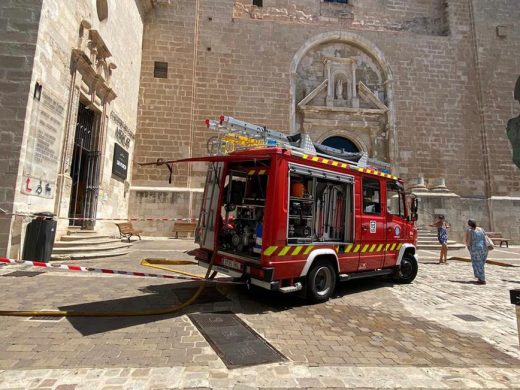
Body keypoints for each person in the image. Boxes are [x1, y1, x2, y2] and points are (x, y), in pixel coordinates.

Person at [464, 219, 488, 285]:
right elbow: (485, 237)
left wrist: (468, 247)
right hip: (484, 248)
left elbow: (468, 240)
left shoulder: (470, 231)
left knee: (477, 264)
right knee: (481, 264)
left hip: (475, 248)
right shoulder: (481, 229)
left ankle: (482, 279)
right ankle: (480, 278)